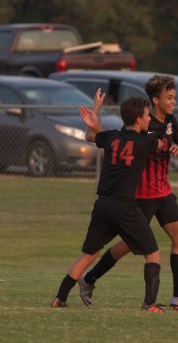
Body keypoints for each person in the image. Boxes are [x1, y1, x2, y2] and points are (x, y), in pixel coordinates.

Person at [77, 75, 178, 311]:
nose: (173, 102)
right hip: (141, 196)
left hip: (163, 192)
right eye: (169, 98)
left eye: (174, 97)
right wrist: (95, 117)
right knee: (126, 246)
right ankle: (89, 279)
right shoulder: (141, 126)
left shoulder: (170, 120)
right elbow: (111, 141)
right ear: (155, 100)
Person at [51, 90, 166, 313]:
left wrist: (94, 116)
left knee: (88, 255)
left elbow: (90, 137)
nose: (149, 118)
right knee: (152, 253)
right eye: (146, 115)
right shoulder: (146, 141)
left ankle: (59, 298)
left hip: (103, 205)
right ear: (138, 119)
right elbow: (160, 144)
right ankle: (149, 304)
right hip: (125, 206)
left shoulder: (112, 137)